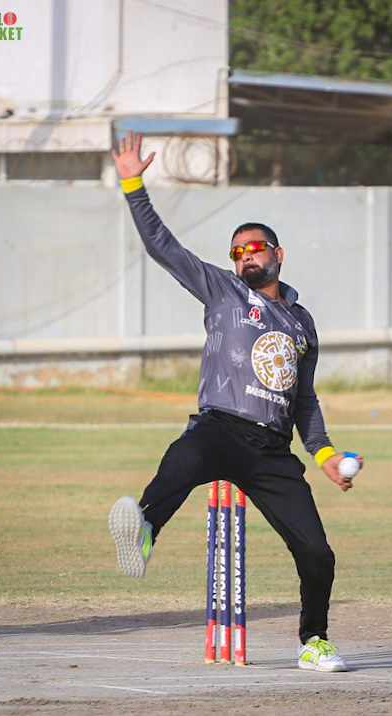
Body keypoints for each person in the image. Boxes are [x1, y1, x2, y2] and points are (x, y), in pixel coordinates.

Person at [108, 131, 363, 672]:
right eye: (238, 251)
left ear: (278, 254)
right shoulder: (222, 290)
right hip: (221, 428)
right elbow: (162, 247)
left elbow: (304, 399)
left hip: (271, 451)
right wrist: (133, 184)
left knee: (317, 553)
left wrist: (324, 455)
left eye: (256, 248)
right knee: (183, 457)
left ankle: (314, 640)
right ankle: (145, 530)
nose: (246, 256)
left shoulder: (302, 322)